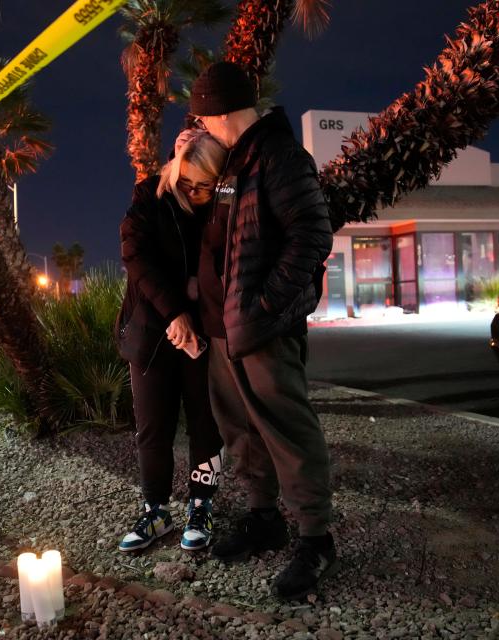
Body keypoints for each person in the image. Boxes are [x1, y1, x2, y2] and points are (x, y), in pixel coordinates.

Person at [188, 61, 337, 600]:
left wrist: (267, 303)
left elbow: (312, 235)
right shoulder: (235, 161)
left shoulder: (279, 156)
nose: (200, 126)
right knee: (243, 433)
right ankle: (263, 518)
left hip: (263, 327)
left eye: (202, 117)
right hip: (225, 328)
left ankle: (315, 540)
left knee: (287, 432)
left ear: (222, 111)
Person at [115, 129, 228, 553]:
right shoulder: (150, 196)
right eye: (187, 183)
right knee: (152, 428)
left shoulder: (221, 205)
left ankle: (201, 505)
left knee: (206, 421)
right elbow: (135, 255)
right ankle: (155, 510)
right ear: (174, 169)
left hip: (203, 333)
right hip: (151, 332)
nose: (195, 193)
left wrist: (197, 297)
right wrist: (176, 310)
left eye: (205, 186)